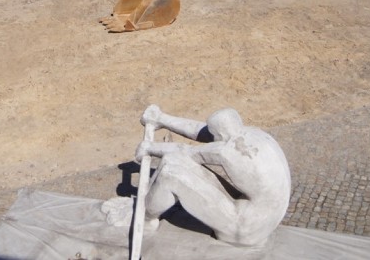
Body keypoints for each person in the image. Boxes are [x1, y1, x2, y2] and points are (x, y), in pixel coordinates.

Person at [105, 105, 291, 246]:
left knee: (171, 174)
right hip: (260, 217)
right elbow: (202, 132)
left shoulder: (228, 151)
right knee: (171, 162)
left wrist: (149, 148)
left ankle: (144, 219)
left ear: (220, 134)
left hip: (245, 229)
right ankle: (148, 202)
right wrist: (161, 118)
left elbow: (187, 151)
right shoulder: (254, 134)